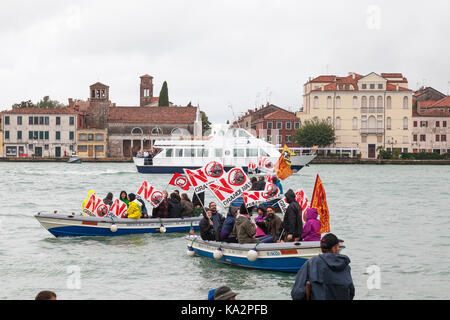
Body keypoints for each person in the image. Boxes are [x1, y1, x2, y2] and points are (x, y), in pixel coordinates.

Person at [291, 233, 354, 300]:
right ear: (333, 248)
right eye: (338, 246)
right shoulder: (345, 267)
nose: (339, 249)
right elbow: (351, 293)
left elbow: (297, 294)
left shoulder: (311, 264)